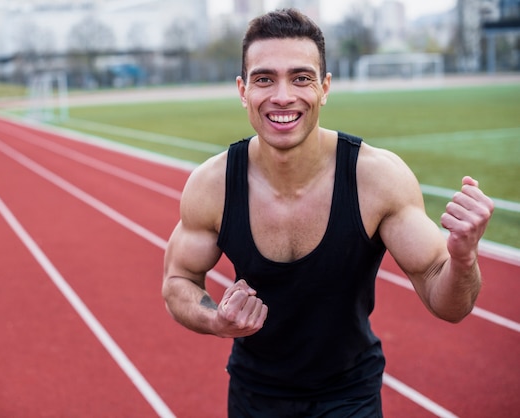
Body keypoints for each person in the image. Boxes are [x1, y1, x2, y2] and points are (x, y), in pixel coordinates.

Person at [162, 8, 494, 417]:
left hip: (349, 395)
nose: (283, 96)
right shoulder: (212, 185)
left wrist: (463, 258)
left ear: (324, 88)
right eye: (265, 79)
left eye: (301, 78)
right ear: (242, 90)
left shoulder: (377, 179)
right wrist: (217, 321)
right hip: (253, 395)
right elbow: (178, 280)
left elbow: (450, 304)